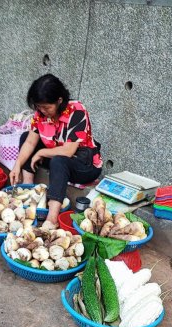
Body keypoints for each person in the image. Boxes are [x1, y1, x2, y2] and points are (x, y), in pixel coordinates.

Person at [9, 74, 102, 227]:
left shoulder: (77, 111)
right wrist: (17, 165)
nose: (42, 111)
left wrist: (41, 153)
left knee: (59, 160)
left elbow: (68, 151)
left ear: (59, 100)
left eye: (46, 107)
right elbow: (31, 142)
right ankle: (28, 190)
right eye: (39, 107)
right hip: (57, 156)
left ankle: (51, 219)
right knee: (25, 136)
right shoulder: (40, 114)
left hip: (84, 164)